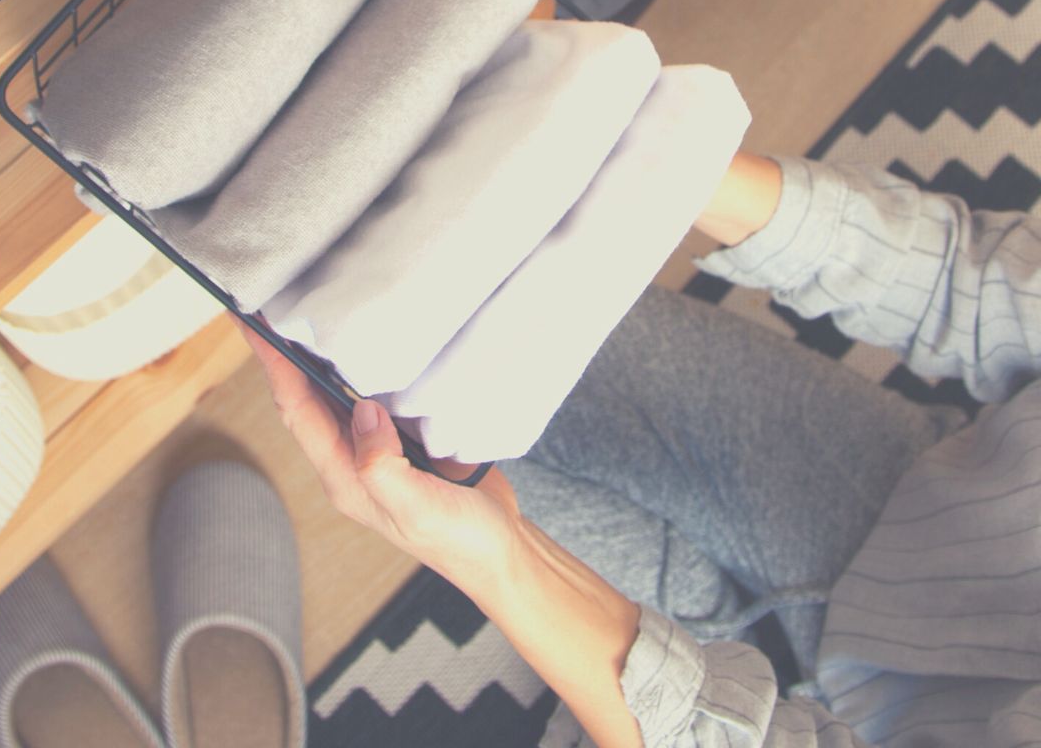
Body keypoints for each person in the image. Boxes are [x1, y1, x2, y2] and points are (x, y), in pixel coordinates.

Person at [239, 149, 1041, 747]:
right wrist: (667, 157)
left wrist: (503, 564)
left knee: (387, 431)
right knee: (449, 300)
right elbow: (971, 285)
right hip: (910, 512)